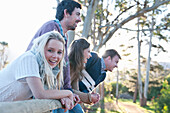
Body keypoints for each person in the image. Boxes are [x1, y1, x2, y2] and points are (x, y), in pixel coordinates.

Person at [26, 0, 82, 112]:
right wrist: (63, 94)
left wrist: (68, 90)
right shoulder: (51, 28)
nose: (79, 19)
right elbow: (42, 65)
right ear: (66, 13)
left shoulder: (63, 37)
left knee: (77, 110)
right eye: (77, 14)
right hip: (37, 89)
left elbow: (64, 66)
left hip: (55, 89)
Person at [0, 31, 74, 112]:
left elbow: (49, 93)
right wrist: (68, 93)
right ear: (41, 48)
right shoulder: (29, 58)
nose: (55, 56)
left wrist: (62, 96)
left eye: (59, 52)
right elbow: (40, 94)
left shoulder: (48, 69)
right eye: (50, 50)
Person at [68, 38, 100, 113]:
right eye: (88, 51)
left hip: (68, 97)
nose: (90, 55)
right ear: (80, 52)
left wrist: (88, 96)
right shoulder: (67, 66)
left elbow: (75, 89)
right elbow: (65, 89)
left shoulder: (77, 68)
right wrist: (89, 97)